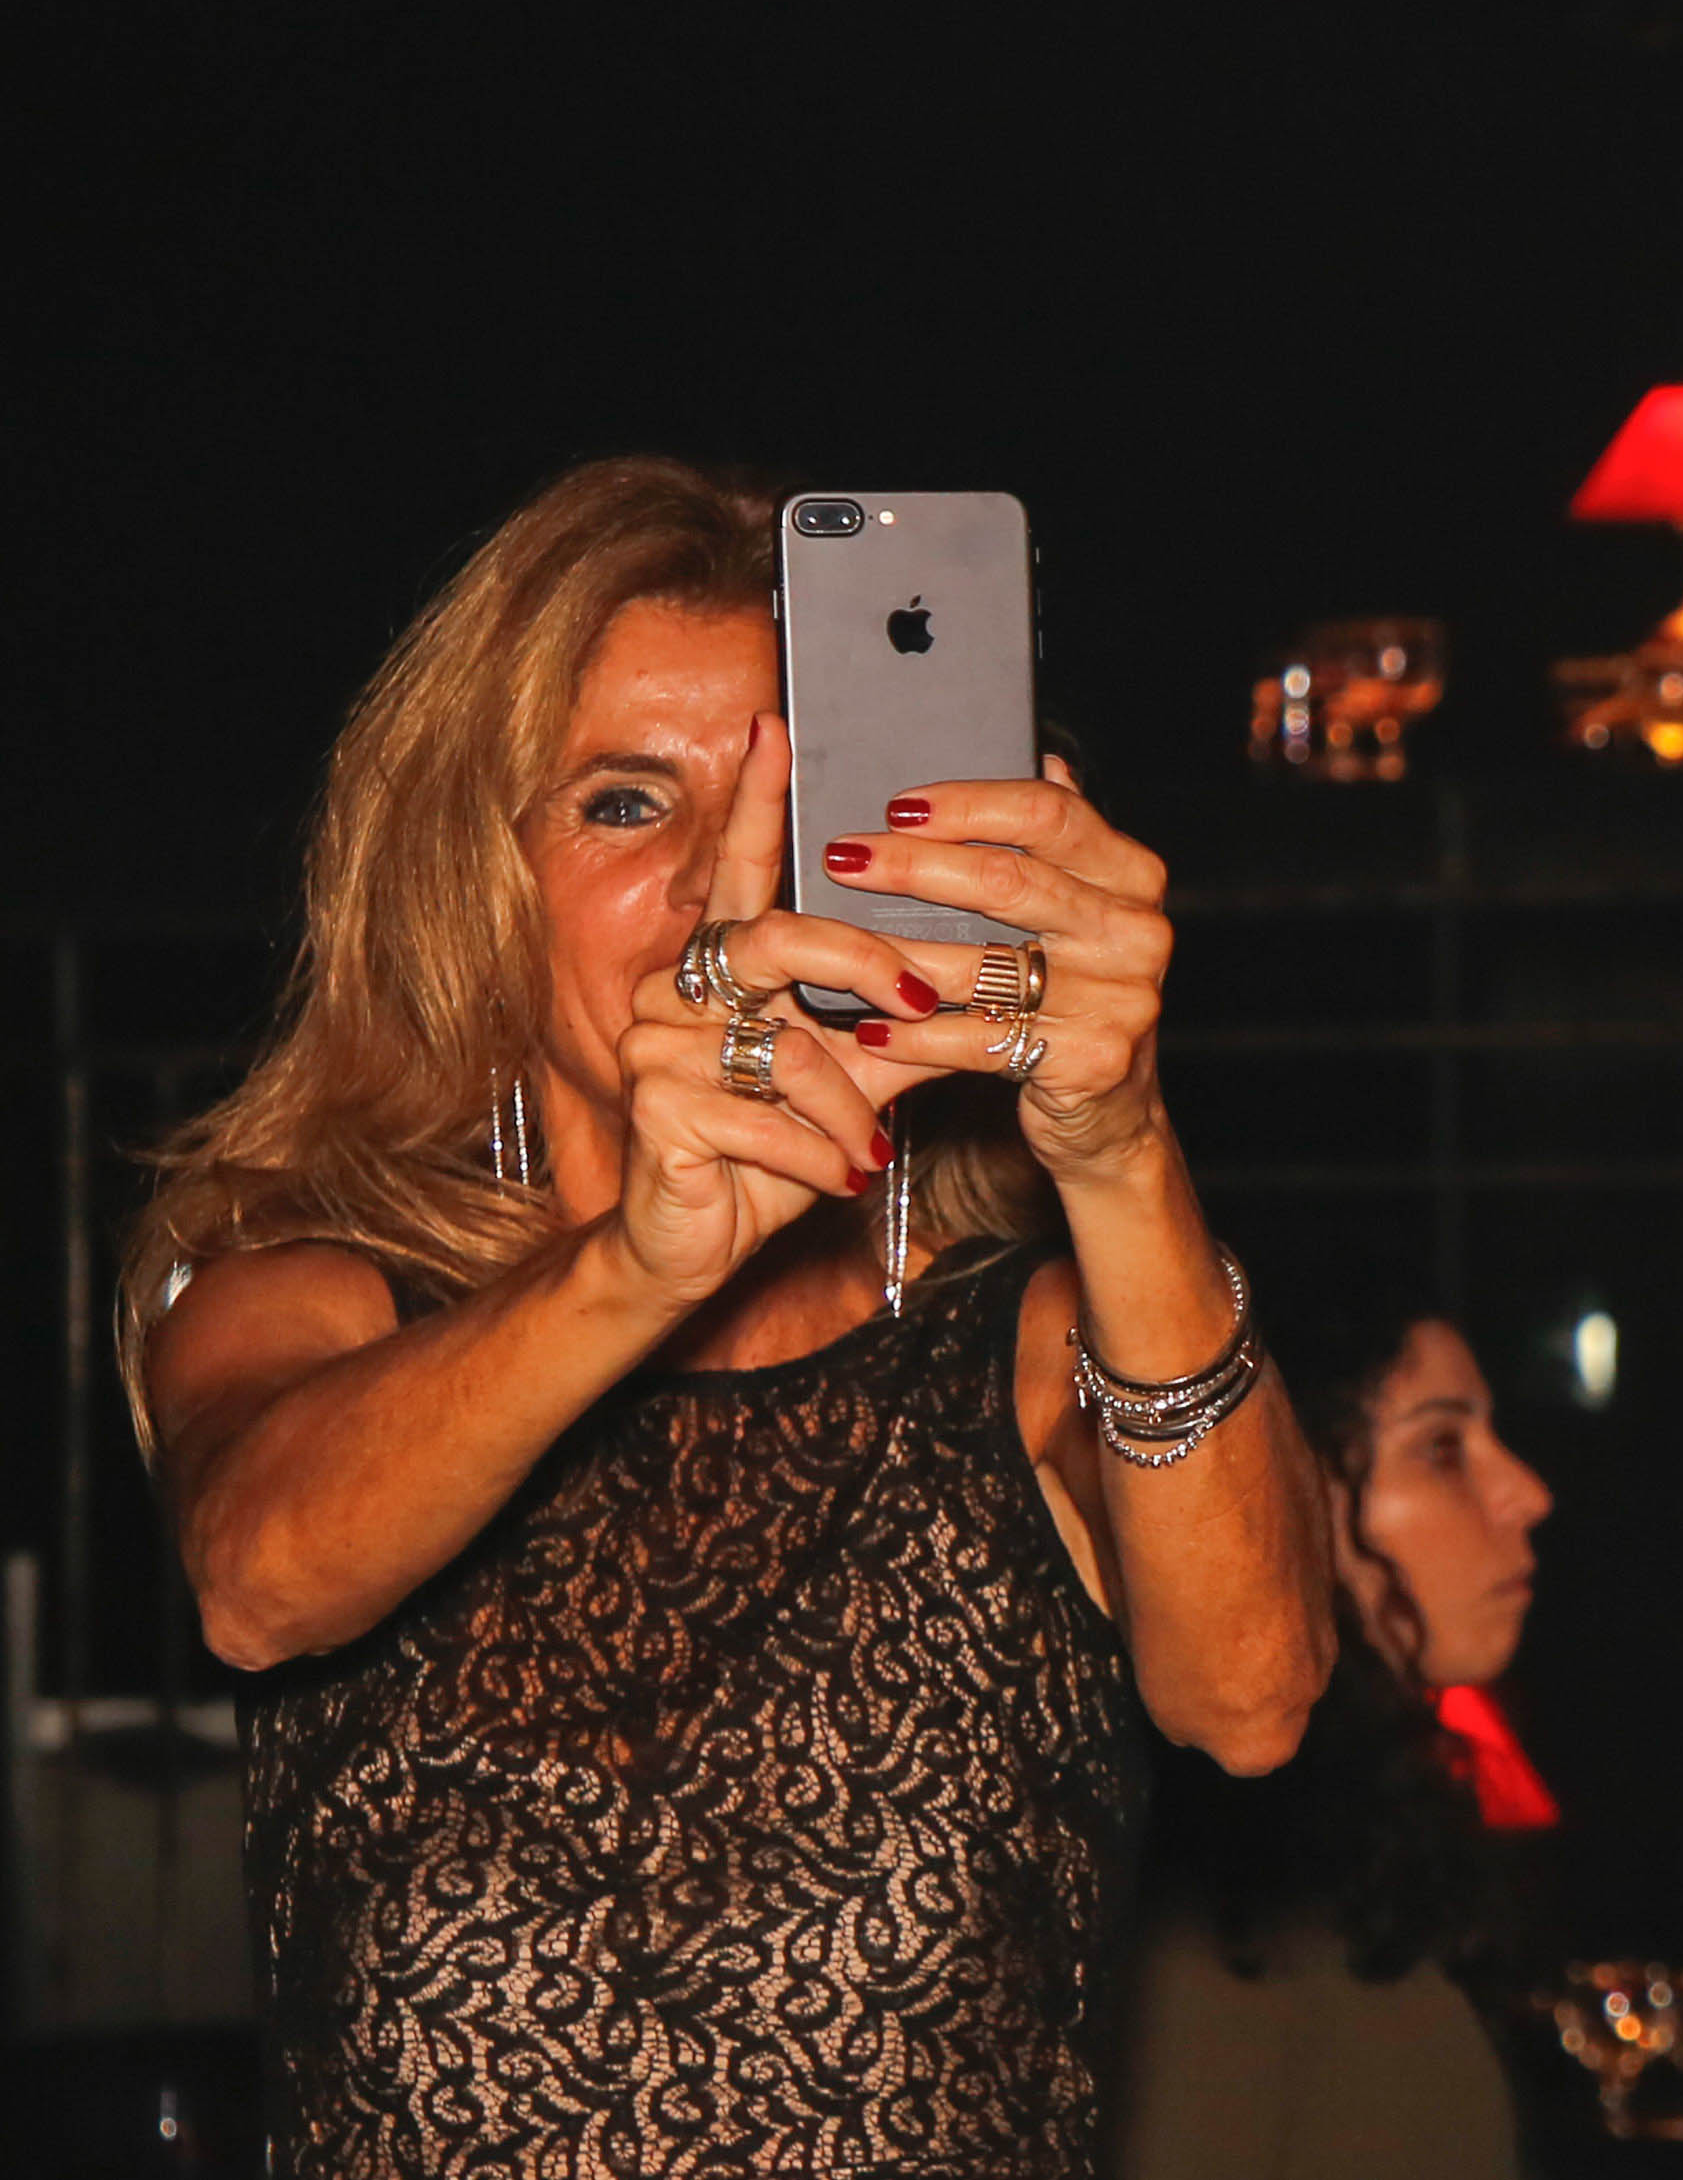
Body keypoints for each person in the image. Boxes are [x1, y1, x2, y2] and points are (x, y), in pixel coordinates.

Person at [122, 456, 1338, 2178]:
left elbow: (1253, 1696)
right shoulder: (309, 1296)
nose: (718, 879)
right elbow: (258, 1579)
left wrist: (1122, 1145)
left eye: (793, 795)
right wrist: (640, 1262)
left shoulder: (1029, 1344)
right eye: (625, 801)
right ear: (471, 882)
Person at [1106, 1296, 1556, 2180]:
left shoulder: (1365, 1845)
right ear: (1285, 1483)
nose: (1527, 1494)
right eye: (1440, 1448)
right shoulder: (1221, 1906)